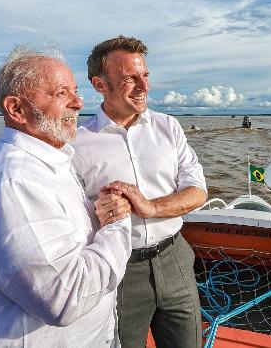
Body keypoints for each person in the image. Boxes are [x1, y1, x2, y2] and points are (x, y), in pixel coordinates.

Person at [0, 48, 132, 348]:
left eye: (75, 91)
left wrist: (97, 215)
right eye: (62, 93)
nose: (78, 102)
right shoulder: (15, 183)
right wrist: (117, 224)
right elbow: (66, 300)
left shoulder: (51, 162)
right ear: (17, 109)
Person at [73, 36, 208, 348]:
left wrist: (151, 207)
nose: (143, 87)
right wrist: (100, 209)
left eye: (145, 76)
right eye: (129, 79)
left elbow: (197, 190)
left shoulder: (169, 127)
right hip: (119, 271)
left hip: (175, 257)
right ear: (100, 84)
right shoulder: (77, 143)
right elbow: (69, 212)